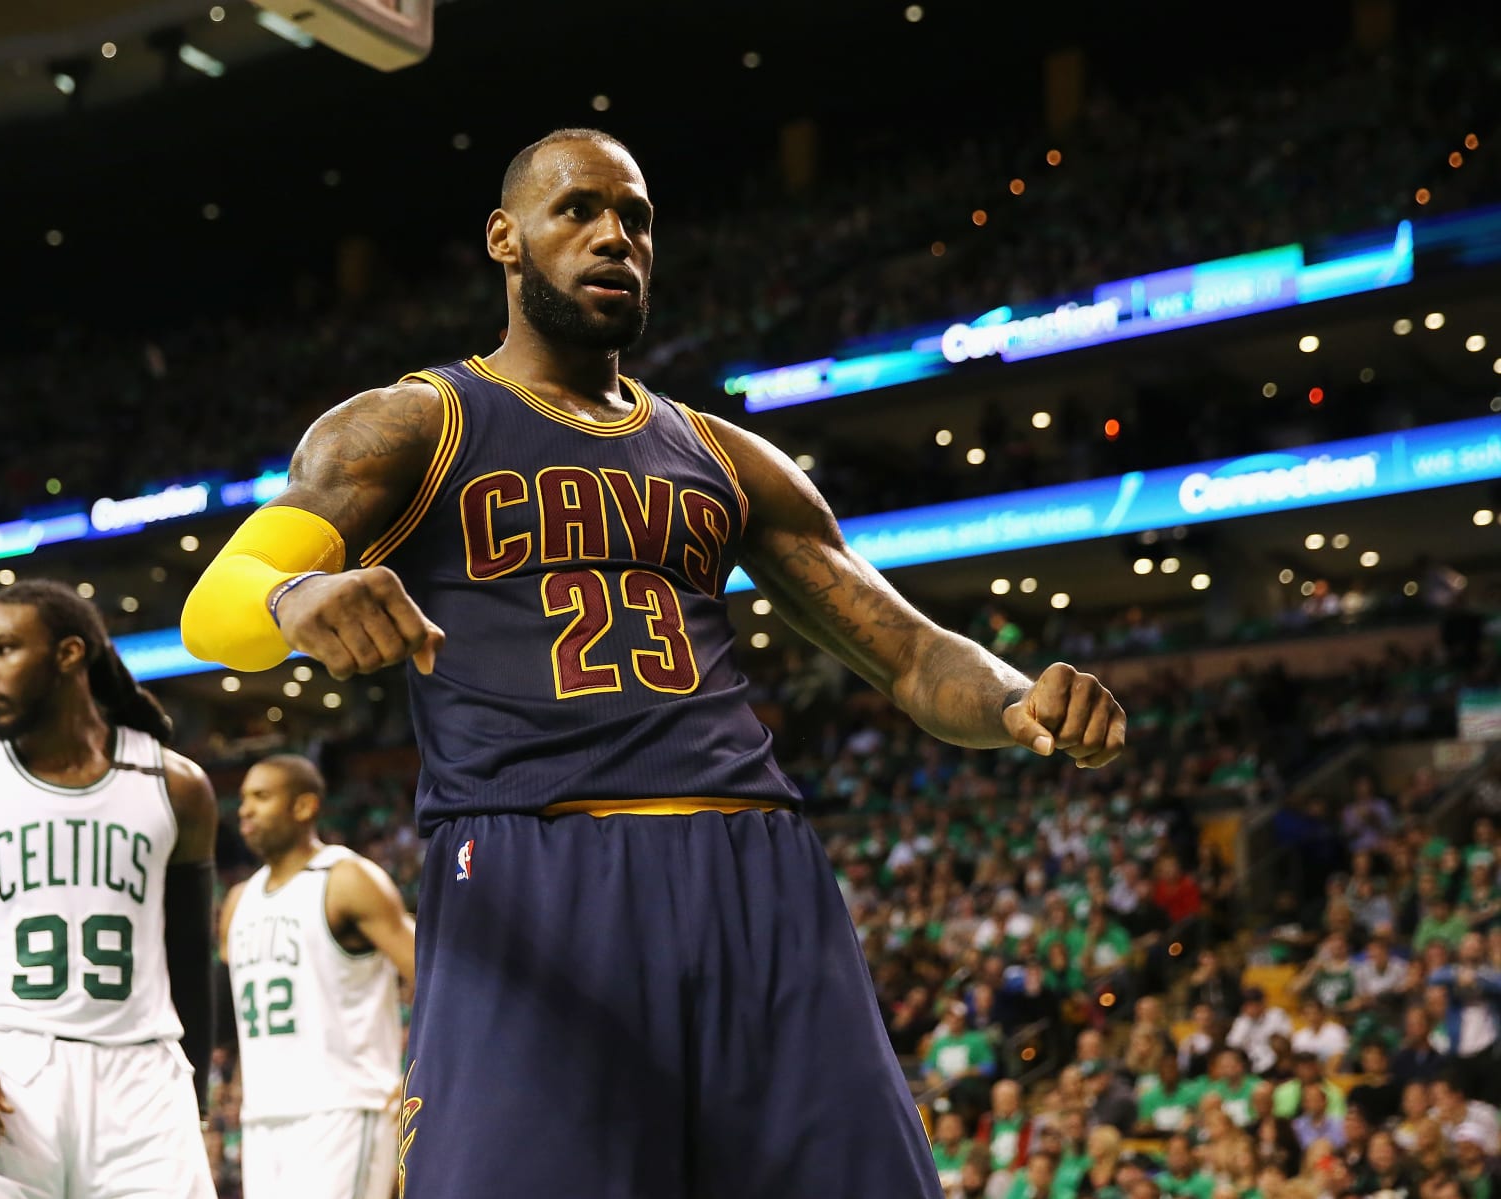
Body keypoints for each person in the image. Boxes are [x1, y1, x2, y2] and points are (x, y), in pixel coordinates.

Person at [179, 127, 1127, 1198]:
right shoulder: (415, 423)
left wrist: (1014, 702)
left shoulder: (724, 456)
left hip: (755, 869)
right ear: (505, 237)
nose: (612, 236)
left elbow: (908, 653)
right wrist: (296, 591)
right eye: (577, 209)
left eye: (634, 218)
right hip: (534, 861)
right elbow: (217, 608)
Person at [0, 579, 217, 1197]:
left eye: (5, 649)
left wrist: (195, 1101)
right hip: (1, 1070)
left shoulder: (177, 786)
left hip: (142, 1078)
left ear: (69, 654)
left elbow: (192, 956)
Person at [220, 753, 415, 1199]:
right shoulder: (237, 902)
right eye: (244, 797)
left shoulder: (347, 879)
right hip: (262, 1118)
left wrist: (416, 1074)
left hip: (343, 1108)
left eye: (262, 797)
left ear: (304, 807)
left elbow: (431, 973)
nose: (245, 809)